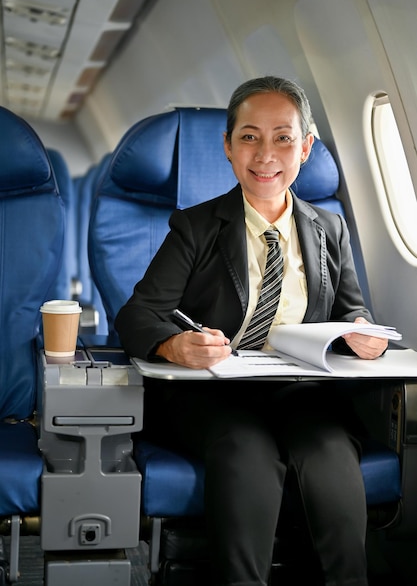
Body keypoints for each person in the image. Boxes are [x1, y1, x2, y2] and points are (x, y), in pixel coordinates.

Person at [115, 76, 388, 586]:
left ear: (305, 148)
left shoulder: (330, 229)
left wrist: (361, 333)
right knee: (246, 451)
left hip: (302, 395)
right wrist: (175, 345)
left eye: (283, 137)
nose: (266, 154)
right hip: (215, 397)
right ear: (227, 147)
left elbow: (354, 311)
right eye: (249, 136)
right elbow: (137, 315)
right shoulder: (196, 227)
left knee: (328, 450)